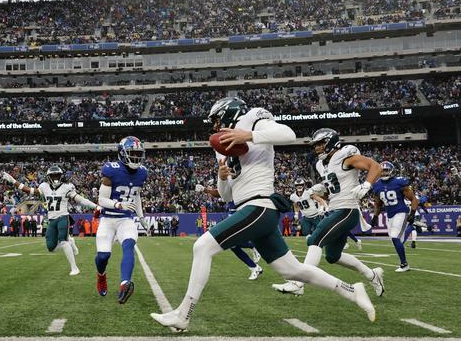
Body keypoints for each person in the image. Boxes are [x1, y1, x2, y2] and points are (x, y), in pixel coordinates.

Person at [151, 99, 375, 331]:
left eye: (217, 119)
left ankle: (183, 315)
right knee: (293, 270)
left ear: (229, 113)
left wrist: (246, 135)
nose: (216, 126)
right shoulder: (224, 148)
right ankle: (352, 290)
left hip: (259, 206)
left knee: (202, 247)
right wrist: (222, 175)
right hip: (250, 209)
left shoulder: (252, 118)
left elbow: (288, 134)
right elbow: (226, 196)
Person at [272, 128, 384, 298]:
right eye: (315, 145)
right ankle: (372, 275)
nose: (316, 148)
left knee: (315, 239)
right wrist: (321, 189)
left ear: (331, 142)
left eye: (320, 143)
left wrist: (367, 185)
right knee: (333, 256)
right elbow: (335, 185)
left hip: (347, 210)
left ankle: (298, 283)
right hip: (335, 210)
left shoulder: (345, 155)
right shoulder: (320, 164)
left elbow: (375, 166)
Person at [2, 165, 96, 276]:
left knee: (62, 240)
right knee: (51, 248)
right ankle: (71, 241)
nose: (55, 177)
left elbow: (80, 199)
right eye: (53, 175)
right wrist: (13, 181)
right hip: (51, 219)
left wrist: (95, 206)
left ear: (61, 176)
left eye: (57, 175)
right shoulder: (44, 186)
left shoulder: (67, 186)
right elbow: (28, 190)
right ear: (49, 177)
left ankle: (74, 268)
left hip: (63, 216)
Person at [95, 136, 148, 304]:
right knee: (103, 256)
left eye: (138, 154)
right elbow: (101, 200)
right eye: (132, 153)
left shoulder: (142, 172)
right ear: (122, 153)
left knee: (129, 245)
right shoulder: (112, 169)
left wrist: (141, 216)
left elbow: (136, 194)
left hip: (126, 220)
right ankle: (101, 276)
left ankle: (125, 283)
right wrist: (119, 204)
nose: (136, 157)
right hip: (108, 219)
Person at [370, 161, 419, 272]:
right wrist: (375, 216)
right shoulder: (377, 185)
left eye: (386, 170)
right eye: (382, 171)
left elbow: (414, 199)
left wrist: (412, 213)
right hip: (390, 215)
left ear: (391, 171)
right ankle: (411, 228)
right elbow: (378, 203)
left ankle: (404, 264)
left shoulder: (399, 182)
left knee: (395, 237)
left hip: (401, 211)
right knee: (397, 240)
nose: (384, 173)